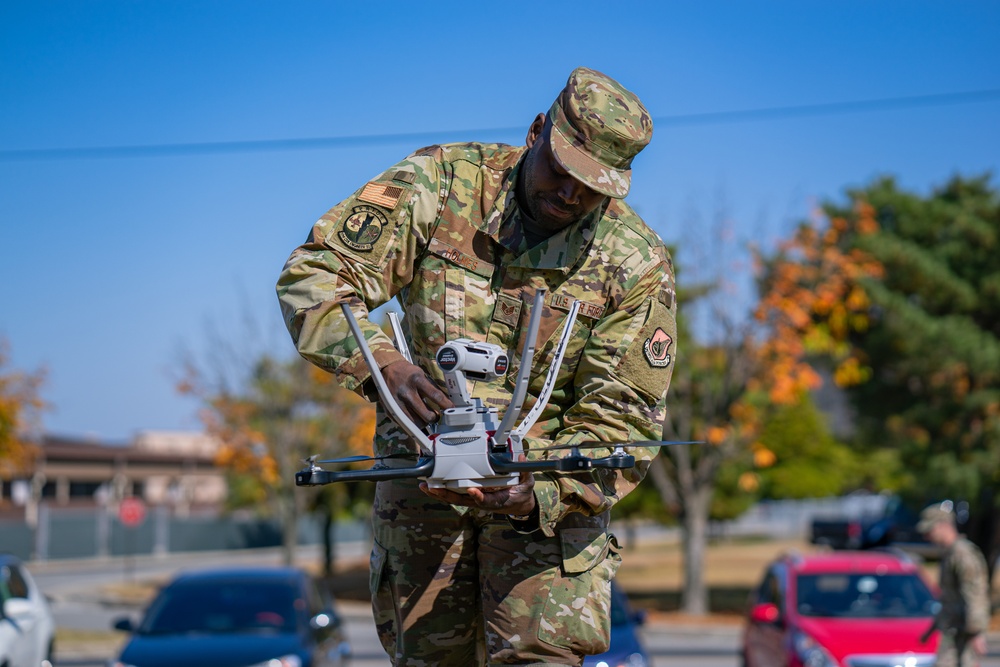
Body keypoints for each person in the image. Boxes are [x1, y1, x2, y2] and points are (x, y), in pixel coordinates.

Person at [277, 66, 676, 666]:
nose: (572, 195)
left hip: (544, 530)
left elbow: (623, 423)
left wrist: (532, 492)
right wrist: (381, 366)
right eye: (562, 172)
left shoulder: (634, 263)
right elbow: (315, 278)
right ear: (537, 131)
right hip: (421, 506)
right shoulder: (440, 185)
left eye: (594, 188)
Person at [917, 501, 991, 667]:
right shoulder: (950, 554)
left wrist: (975, 632)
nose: (927, 536)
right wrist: (931, 630)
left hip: (963, 631)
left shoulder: (962, 554)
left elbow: (974, 592)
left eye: (930, 530)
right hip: (952, 629)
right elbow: (948, 598)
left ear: (944, 525)